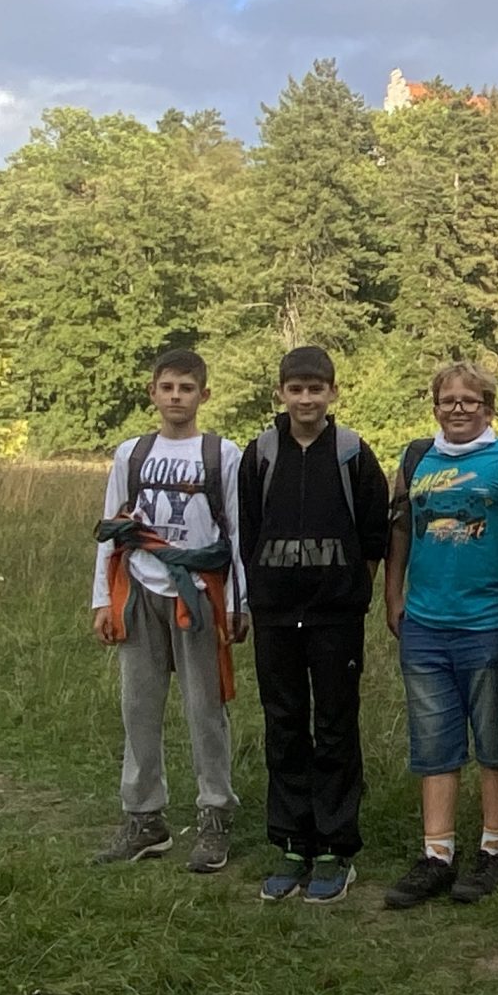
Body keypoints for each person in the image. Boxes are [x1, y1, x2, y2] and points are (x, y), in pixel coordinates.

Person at [380, 362, 498, 909]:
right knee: (432, 743)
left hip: (491, 622)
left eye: (470, 400)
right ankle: (437, 855)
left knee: (493, 738)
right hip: (425, 622)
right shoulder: (415, 458)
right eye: (448, 400)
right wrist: (393, 595)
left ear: (489, 408)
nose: (459, 409)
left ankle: (495, 851)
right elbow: (401, 529)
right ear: (435, 407)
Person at [238, 345, 389, 905]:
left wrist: (351, 591)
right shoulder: (261, 453)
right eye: (296, 389)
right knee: (283, 724)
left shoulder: (352, 453)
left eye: (316, 388)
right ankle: (292, 842)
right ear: (280, 393)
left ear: (332, 393)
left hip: (335, 618)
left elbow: (374, 534)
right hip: (276, 616)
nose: (306, 399)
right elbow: (247, 532)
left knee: (335, 725)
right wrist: (259, 597)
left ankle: (333, 847)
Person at [90, 347, 249, 873]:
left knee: (206, 708)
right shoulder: (131, 454)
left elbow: (238, 534)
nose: (176, 397)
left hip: (198, 591)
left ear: (204, 394)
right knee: (138, 706)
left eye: (187, 388)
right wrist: (102, 600)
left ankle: (215, 814)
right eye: (167, 388)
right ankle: (144, 818)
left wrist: (237, 602)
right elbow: (112, 528)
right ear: (153, 393)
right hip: (139, 587)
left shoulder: (222, 454)